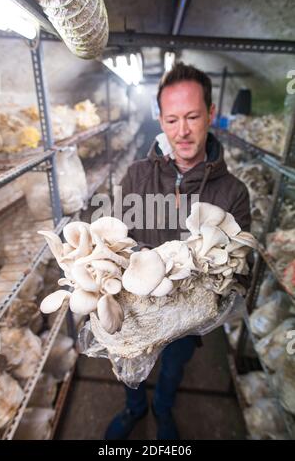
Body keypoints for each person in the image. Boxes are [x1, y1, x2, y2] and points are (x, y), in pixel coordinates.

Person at [104, 62, 251, 440]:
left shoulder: (233, 193)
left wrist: (202, 290)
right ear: (160, 119)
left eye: (191, 117)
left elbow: (236, 268)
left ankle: (162, 410)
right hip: (137, 308)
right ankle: (134, 408)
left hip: (189, 319)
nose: (181, 132)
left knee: (172, 368)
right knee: (131, 360)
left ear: (210, 115)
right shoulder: (138, 174)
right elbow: (117, 234)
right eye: (171, 120)